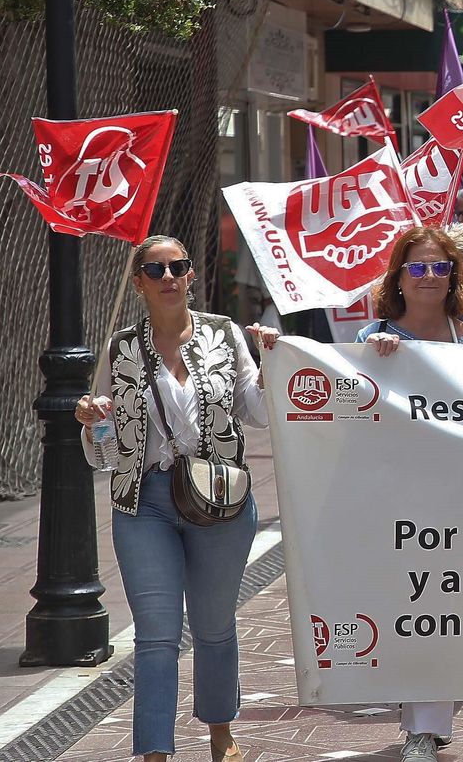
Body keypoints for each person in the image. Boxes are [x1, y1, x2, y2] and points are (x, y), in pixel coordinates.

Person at [74, 235, 268, 762]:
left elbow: (260, 410)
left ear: (189, 276)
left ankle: (220, 731)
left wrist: (276, 364)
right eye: (155, 271)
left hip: (219, 498)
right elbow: (102, 450)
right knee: (157, 633)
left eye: (177, 268)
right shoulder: (122, 347)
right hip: (144, 501)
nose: (168, 278)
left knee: (213, 623)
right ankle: (154, 751)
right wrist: (93, 421)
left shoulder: (225, 334)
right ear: (138, 283)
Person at [351, 227, 463, 760]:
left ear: (453, 276)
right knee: (412, 608)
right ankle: (423, 724)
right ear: (398, 278)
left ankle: (429, 717)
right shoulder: (371, 340)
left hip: (460, 499)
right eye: (418, 267)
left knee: (448, 609)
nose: (429, 276)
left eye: (439, 267)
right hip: (395, 499)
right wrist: (373, 359)